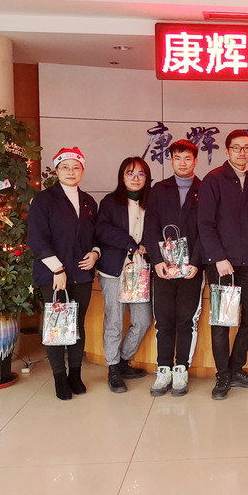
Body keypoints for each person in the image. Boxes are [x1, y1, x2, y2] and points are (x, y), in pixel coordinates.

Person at [28, 147, 100, 401]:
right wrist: (57, 268)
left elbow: (97, 235)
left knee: (77, 324)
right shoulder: (44, 200)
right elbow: (37, 238)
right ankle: (59, 377)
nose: (71, 172)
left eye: (76, 167)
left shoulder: (89, 202)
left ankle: (75, 375)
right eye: (65, 167)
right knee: (57, 326)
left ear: (82, 171)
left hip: (81, 274)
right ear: (57, 171)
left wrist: (95, 253)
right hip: (54, 275)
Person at [198, 130, 248, 400]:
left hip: (247, 262)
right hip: (221, 264)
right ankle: (222, 375)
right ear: (227, 151)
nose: (242, 152)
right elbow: (205, 223)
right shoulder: (213, 180)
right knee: (222, 322)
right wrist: (218, 257)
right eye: (236, 148)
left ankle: (235, 368)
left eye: (246, 148)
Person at [143, 140, 203, 397]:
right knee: (164, 319)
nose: (182, 163)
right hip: (164, 268)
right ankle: (163, 369)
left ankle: (181, 370)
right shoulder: (159, 189)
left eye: (187, 158)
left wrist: (196, 262)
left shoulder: (204, 189)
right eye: (177, 158)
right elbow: (150, 227)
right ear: (171, 160)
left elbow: (206, 229)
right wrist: (156, 260)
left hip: (191, 269)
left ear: (195, 161)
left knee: (186, 320)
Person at [95, 157, 152, 393]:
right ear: (122, 176)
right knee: (114, 321)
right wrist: (129, 243)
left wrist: (148, 244)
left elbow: (156, 229)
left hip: (140, 270)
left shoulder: (152, 202)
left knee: (143, 320)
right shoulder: (110, 202)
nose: (136, 178)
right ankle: (113, 368)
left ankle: (123, 361)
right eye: (130, 173)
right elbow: (102, 230)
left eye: (141, 174)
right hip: (114, 270)